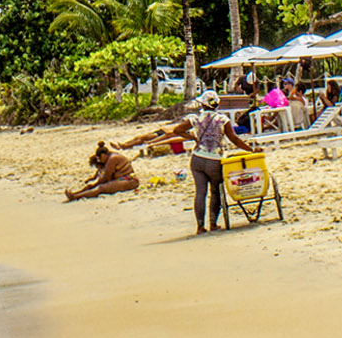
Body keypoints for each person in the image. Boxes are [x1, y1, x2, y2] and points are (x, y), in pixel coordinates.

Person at [142, 89, 256, 235]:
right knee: (215, 191)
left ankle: (200, 226)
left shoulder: (195, 119)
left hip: (197, 159)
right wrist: (250, 150)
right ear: (216, 104)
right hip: (215, 160)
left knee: (200, 193)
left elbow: (177, 130)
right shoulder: (223, 120)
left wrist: (193, 138)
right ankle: (213, 223)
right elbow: (234, 139)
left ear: (202, 104)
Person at [65, 142, 141, 201]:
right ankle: (76, 193)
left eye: (100, 159)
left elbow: (106, 177)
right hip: (123, 179)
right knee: (94, 186)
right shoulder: (111, 157)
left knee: (101, 188)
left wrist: (95, 184)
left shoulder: (112, 159)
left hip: (129, 180)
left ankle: (76, 196)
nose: (101, 161)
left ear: (103, 155)